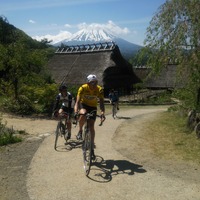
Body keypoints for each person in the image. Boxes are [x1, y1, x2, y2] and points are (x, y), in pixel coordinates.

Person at [74, 74, 105, 160]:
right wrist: (76, 111)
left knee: (91, 126)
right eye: (92, 83)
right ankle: (80, 130)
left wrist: (102, 113)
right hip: (83, 105)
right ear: (88, 83)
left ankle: (91, 148)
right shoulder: (83, 88)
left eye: (96, 82)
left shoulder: (99, 89)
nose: (94, 84)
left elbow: (101, 102)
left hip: (93, 107)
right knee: (83, 114)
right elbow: (77, 101)